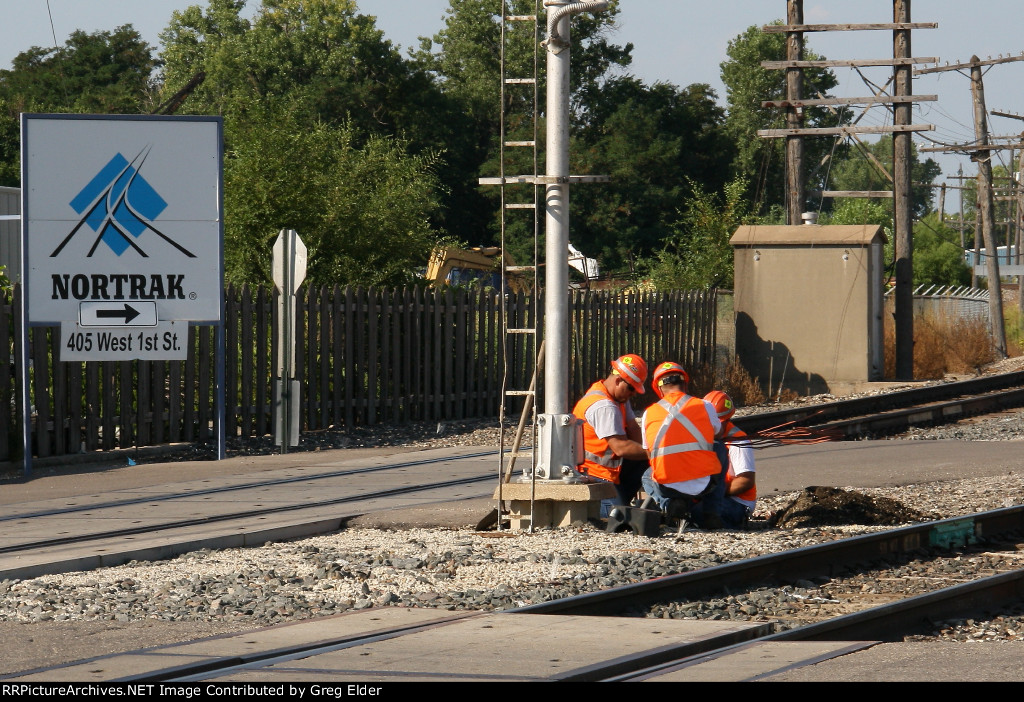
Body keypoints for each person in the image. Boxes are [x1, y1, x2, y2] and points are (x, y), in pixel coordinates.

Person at [639, 362, 723, 528]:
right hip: (704, 483)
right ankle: (712, 512)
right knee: (719, 446)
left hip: (666, 485)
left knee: (646, 476)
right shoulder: (705, 406)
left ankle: (668, 504)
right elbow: (718, 433)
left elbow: (650, 456)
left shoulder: (649, 413)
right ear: (684, 383)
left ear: (659, 388)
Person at [572, 354, 650, 517]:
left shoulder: (618, 398)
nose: (633, 394)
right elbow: (620, 447)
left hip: (611, 473)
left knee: (647, 458)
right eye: (631, 388)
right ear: (618, 380)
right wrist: (657, 453)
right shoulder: (604, 406)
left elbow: (634, 430)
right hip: (595, 476)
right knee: (618, 519)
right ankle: (612, 508)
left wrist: (650, 455)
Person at [696, 390, 757, 529]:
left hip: (738, 503)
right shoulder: (705, 437)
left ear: (725, 421)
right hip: (716, 495)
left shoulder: (739, 441)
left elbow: (746, 481)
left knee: (698, 512)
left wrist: (713, 493)